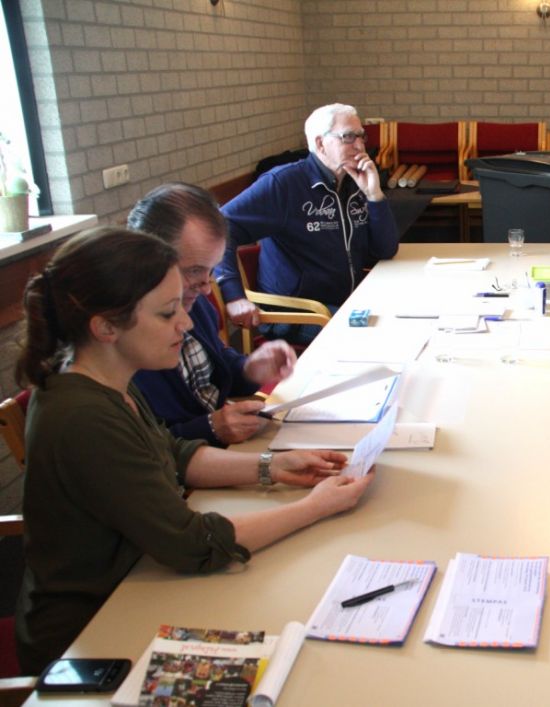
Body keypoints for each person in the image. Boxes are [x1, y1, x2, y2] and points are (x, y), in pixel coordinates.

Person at [14, 227, 375, 673]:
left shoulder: (106, 379)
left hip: (136, 583)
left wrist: (273, 465)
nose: (185, 323)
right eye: (167, 313)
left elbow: (175, 454)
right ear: (106, 326)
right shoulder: (83, 416)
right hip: (90, 634)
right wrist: (314, 507)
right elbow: (192, 543)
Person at [215, 103, 399, 344]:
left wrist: (374, 195)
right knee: (377, 339)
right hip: (298, 312)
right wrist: (233, 295)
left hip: (346, 301)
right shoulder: (283, 183)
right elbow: (219, 226)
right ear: (320, 143)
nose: (359, 145)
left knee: (404, 319)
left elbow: (385, 250)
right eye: (348, 137)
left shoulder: (354, 181)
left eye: (361, 136)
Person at [128, 183, 295, 446]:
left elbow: (213, 367)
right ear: (149, 259)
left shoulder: (194, 302)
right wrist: (209, 428)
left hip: (220, 448)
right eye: (194, 270)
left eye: (212, 269)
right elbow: (143, 448)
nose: (206, 287)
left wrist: (249, 369)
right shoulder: (127, 338)